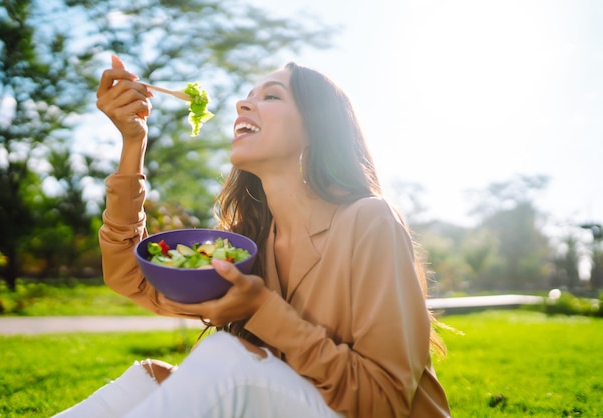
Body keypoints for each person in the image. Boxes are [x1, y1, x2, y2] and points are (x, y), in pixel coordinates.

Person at [53, 55, 451, 417]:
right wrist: (133, 143)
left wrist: (262, 308)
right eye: (247, 97)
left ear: (317, 128)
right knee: (150, 378)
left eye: (272, 97)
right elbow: (129, 275)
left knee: (226, 356)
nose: (243, 105)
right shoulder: (249, 243)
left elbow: (386, 401)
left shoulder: (369, 219)